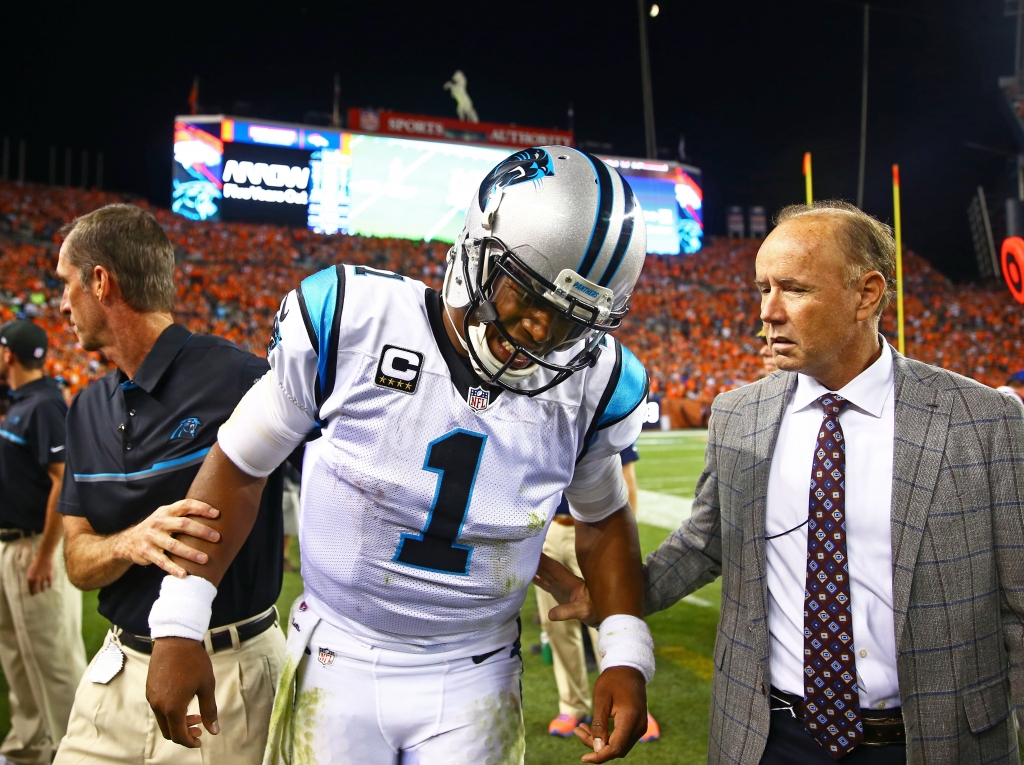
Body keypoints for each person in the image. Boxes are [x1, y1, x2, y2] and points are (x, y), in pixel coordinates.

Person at [143, 146, 654, 764]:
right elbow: (242, 465)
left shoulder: (596, 384)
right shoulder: (353, 318)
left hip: (478, 671)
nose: (542, 334)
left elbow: (602, 517)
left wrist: (625, 650)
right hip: (338, 654)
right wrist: (179, 620)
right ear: (477, 250)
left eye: (572, 320)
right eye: (529, 298)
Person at [536, 200, 1024, 765]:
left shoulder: (983, 420)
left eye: (793, 289)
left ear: (866, 294)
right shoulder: (738, 414)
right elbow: (703, 544)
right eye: (762, 288)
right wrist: (619, 600)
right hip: (771, 739)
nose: (767, 312)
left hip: (932, 741)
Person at [50, 204, 286, 765]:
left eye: (65, 285)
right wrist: (129, 541)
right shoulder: (85, 408)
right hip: (115, 672)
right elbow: (78, 562)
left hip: (225, 673)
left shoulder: (243, 379)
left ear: (100, 281)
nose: (61, 304)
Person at [0, 320, 86, 765]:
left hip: (35, 546)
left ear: (8, 354)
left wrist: (45, 555)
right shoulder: (22, 403)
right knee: (17, 654)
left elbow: (61, 481)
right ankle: (28, 747)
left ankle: (77, 753)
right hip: (13, 545)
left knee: (54, 659)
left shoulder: (44, 405)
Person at [539, 446, 661, 742]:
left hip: (596, 532)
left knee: (612, 621)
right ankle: (572, 705)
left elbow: (626, 480)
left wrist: (623, 547)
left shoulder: (602, 408)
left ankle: (625, 703)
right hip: (545, 529)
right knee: (556, 626)